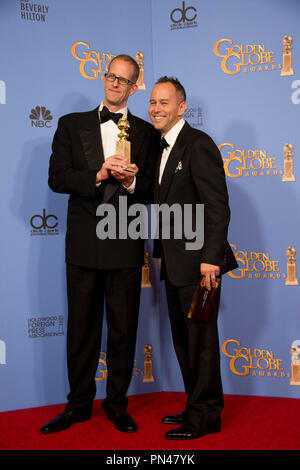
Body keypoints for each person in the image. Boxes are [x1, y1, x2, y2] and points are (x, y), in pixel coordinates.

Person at [41, 55, 159, 434]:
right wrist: (98, 173)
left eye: (124, 80)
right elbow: (57, 178)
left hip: (124, 242)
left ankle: (117, 405)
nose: (115, 84)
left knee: (124, 329)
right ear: (103, 77)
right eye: (111, 76)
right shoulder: (71, 125)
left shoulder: (147, 133)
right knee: (81, 328)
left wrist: (129, 183)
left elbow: (154, 190)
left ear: (134, 87)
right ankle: (77, 405)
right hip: (83, 244)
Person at [148, 77, 238, 440]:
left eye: (164, 102)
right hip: (174, 265)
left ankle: (207, 417)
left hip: (202, 268)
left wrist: (211, 261)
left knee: (200, 341)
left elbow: (217, 206)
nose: (156, 108)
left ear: (181, 107)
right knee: (184, 341)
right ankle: (194, 406)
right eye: (152, 101)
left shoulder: (198, 145)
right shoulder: (160, 148)